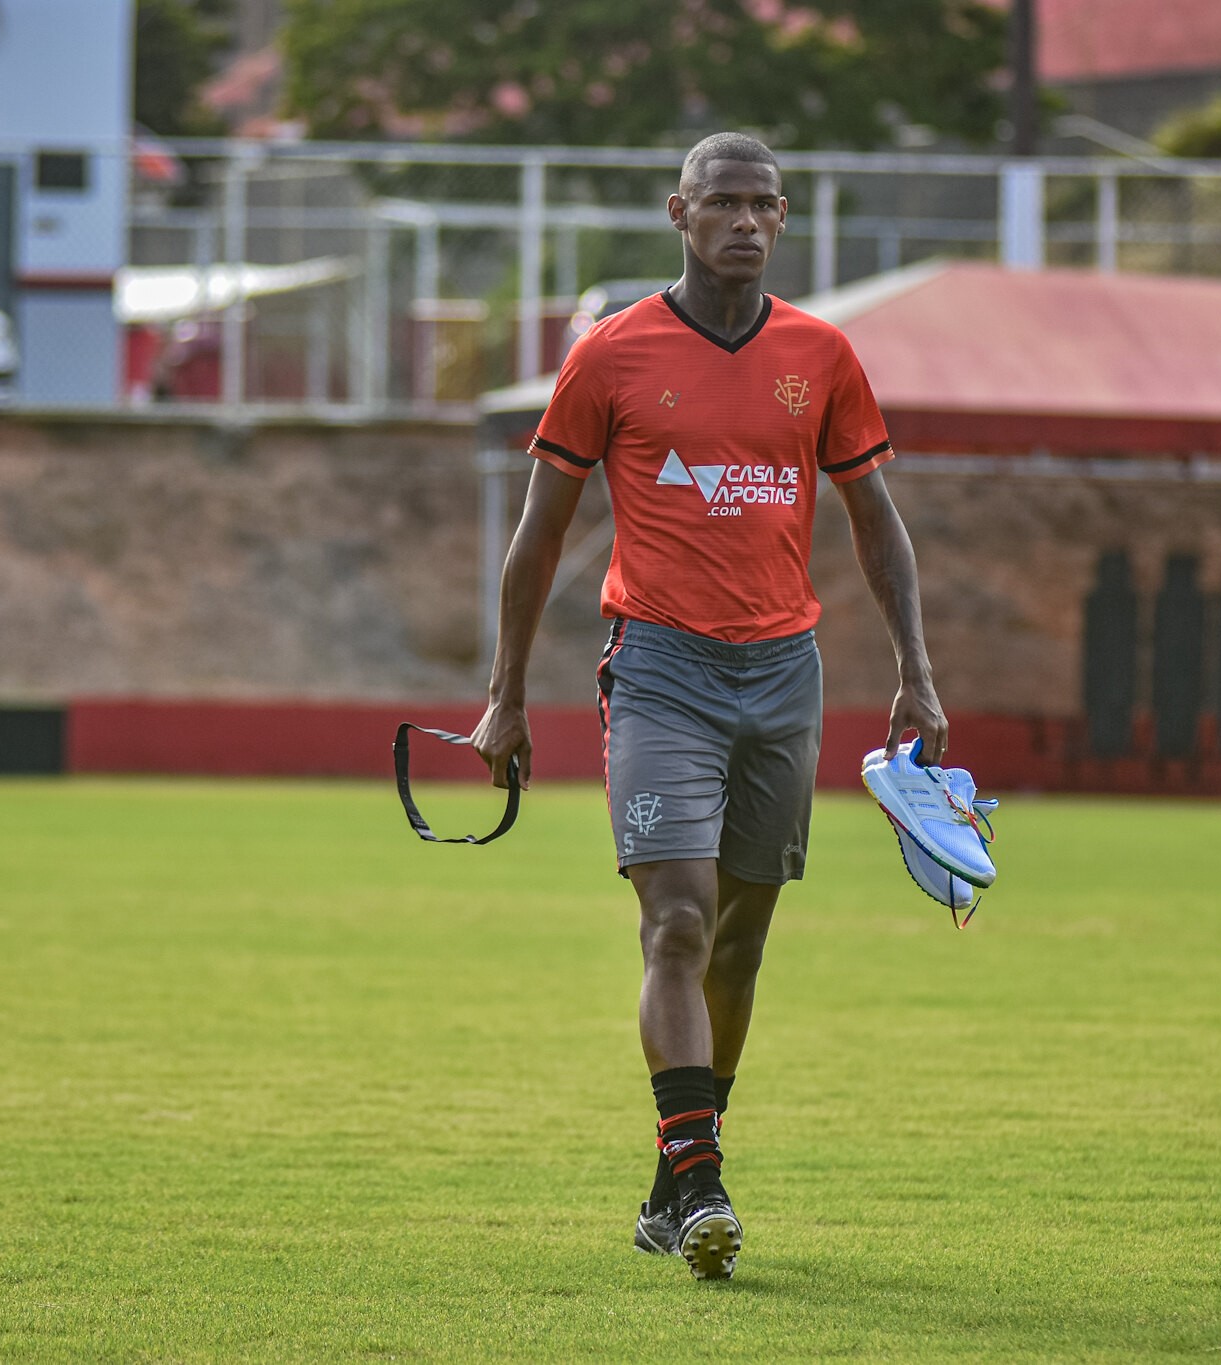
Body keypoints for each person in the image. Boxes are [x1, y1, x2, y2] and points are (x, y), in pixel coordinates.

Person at [469, 131, 947, 1282]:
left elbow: (873, 520)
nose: (743, 220)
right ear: (677, 213)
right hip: (660, 670)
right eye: (720, 202)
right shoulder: (609, 355)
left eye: (762, 204)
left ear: (783, 222)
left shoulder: (820, 355)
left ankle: (673, 1178)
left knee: (738, 941)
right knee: (674, 924)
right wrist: (504, 698)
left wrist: (915, 670)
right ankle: (703, 1185)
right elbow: (537, 537)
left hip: (786, 673)